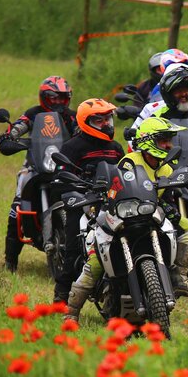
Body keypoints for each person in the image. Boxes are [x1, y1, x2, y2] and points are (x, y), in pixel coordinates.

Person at [64, 116, 188, 323]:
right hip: (122, 213)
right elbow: (117, 188)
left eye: (169, 140)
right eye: (163, 140)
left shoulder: (165, 166)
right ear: (149, 141)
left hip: (150, 215)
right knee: (95, 262)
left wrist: (172, 204)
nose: (169, 145)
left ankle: (179, 276)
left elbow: (166, 197)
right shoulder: (129, 162)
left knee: (185, 226)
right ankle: (71, 312)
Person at [0, 75, 77, 273]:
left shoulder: (72, 116)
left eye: (63, 97)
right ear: (44, 97)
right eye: (54, 97)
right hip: (34, 166)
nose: (58, 102)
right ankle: (10, 262)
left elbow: (81, 130)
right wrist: (10, 136)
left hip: (63, 165)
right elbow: (19, 125)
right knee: (16, 209)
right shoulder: (33, 113)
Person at [53, 98, 125, 303]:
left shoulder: (116, 147)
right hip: (84, 202)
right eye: (99, 120)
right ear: (86, 122)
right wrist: (75, 193)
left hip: (112, 202)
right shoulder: (72, 147)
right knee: (73, 249)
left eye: (108, 119)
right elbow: (60, 177)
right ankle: (61, 295)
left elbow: (125, 173)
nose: (106, 124)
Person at [131, 63, 188, 150]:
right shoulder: (155, 114)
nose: (184, 94)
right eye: (178, 91)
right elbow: (136, 138)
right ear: (168, 94)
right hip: (164, 163)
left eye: (186, 90)